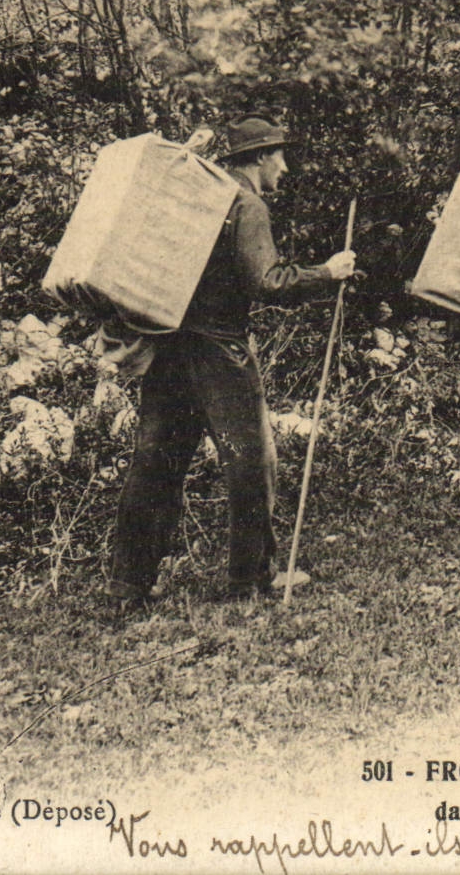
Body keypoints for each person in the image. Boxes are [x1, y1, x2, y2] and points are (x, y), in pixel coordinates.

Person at [108, 115, 356, 609]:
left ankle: (128, 584)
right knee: (250, 462)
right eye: (280, 155)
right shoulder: (246, 203)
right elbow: (269, 281)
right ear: (261, 157)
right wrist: (327, 272)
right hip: (219, 353)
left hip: (167, 347)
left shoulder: (204, 195)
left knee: (155, 463)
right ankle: (250, 579)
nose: (285, 166)